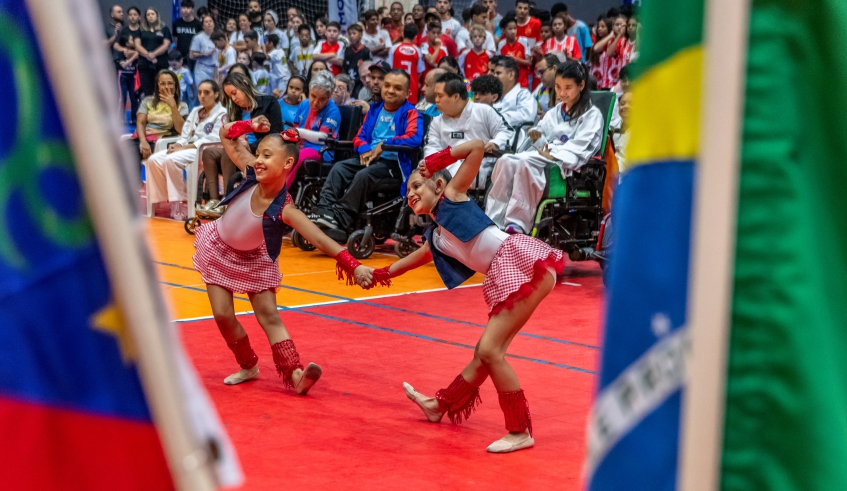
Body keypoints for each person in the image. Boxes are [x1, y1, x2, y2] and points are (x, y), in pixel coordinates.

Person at [358, 139, 566, 453]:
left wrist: (435, 161)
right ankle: (439, 405)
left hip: (519, 264)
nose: (411, 193)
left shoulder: (453, 197)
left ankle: (520, 430)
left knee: (489, 350)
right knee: (486, 354)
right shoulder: (437, 237)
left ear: (438, 185)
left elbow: (477, 147)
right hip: (507, 273)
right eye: (408, 191)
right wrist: (374, 275)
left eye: (418, 186)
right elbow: (404, 264)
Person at [194, 123, 375, 393]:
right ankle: (248, 365)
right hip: (220, 249)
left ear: (288, 162)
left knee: (269, 316)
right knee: (222, 315)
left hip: (256, 260)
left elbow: (320, 238)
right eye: (258, 154)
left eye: (267, 155)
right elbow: (226, 136)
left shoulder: (285, 209)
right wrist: (250, 126)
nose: (258, 160)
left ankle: (295, 374)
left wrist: (354, 264)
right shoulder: (250, 172)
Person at [486, 61, 603, 234]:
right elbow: (541, 134)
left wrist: (554, 155)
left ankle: (517, 223)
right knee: (506, 160)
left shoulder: (592, 115)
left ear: (581, 85)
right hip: (544, 156)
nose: (562, 93)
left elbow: (582, 148)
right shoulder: (556, 111)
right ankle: (493, 219)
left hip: (567, 165)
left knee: (526, 161)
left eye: (568, 87)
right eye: (558, 87)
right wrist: (536, 136)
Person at [309, 69, 423, 241]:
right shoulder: (375, 110)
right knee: (340, 168)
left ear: (408, 93)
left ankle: (340, 221)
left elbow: (414, 139)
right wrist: (366, 150)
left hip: (394, 167)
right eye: (388, 86)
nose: (391, 90)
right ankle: (324, 212)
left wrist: (384, 146)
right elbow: (360, 137)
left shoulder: (412, 113)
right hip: (370, 159)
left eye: (397, 88)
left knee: (364, 175)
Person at [200, 71, 283, 209]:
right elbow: (229, 135)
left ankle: (228, 201)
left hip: (259, 151)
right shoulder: (235, 110)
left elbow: (276, 135)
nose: (233, 99)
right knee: (208, 153)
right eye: (229, 96)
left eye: (234, 93)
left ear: (244, 84)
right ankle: (214, 201)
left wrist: (250, 145)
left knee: (228, 154)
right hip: (239, 149)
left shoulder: (269, 102)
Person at [146, 79, 226, 219]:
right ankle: (177, 197)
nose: (202, 96)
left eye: (207, 92)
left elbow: (213, 139)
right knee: (153, 160)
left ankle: (178, 203)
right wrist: (178, 144)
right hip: (187, 149)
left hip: (205, 151)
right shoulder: (196, 110)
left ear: (217, 95)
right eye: (200, 92)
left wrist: (183, 147)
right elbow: (185, 134)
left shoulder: (222, 113)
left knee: (172, 159)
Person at [424, 72, 513, 189]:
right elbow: (431, 150)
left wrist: (495, 143)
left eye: (440, 96)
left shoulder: (484, 111)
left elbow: (507, 132)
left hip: (482, 174)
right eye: (435, 96)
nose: (436, 100)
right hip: (447, 176)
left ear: (455, 96)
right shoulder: (436, 122)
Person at [291, 71, 341, 187]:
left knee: (294, 158)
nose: (315, 102)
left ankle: (279, 196)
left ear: (329, 97)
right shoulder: (304, 104)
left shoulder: (333, 111)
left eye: (322, 99)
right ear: (309, 90)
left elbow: (324, 138)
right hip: (300, 146)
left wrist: (300, 132)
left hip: (321, 150)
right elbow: (295, 129)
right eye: (313, 96)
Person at [134, 70, 189, 163]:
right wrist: (143, 142)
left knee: (132, 154)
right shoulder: (147, 101)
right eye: (162, 83)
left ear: (175, 86)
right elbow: (141, 122)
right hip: (143, 138)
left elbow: (181, 130)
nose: (166, 87)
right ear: (158, 86)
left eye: (170, 83)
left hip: (163, 142)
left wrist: (173, 106)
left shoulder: (182, 106)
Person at [135, 8, 172, 98]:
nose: (150, 16)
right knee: (147, 90)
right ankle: (149, 111)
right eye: (148, 14)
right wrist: (149, 56)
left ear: (157, 15)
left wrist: (154, 54)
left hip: (160, 63)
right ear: (146, 17)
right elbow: (137, 45)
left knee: (161, 89)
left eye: (152, 14)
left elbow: (166, 44)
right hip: (144, 64)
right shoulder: (141, 29)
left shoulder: (164, 29)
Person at [114, 7, 140, 123]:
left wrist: (133, 54)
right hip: (123, 76)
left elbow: (139, 53)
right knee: (122, 98)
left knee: (134, 97)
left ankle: (134, 118)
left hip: (133, 76)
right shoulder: (122, 52)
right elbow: (123, 64)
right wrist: (128, 55)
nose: (132, 41)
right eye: (130, 40)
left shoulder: (140, 32)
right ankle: (120, 119)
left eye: (135, 14)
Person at [492, 57, 535, 127]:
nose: (494, 76)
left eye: (498, 73)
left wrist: (496, 117)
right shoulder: (494, 96)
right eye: (494, 73)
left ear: (511, 75)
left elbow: (526, 116)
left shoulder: (523, 94)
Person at [386, 24, 423, 104]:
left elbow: (389, 67)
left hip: (395, 85)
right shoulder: (417, 51)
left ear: (403, 34)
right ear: (415, 36)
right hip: (411, 88)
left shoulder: (394, 48)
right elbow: (419, 72)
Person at [497, 16, 531, 88]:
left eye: (515, 28)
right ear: (503, 31)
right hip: (507, 84)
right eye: (510, 29)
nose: (513, 31)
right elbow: (498, 64)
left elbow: (529, 62)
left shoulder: (524, 41)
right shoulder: (501, 44)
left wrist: (515, 59)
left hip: (522, 83)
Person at [341, 24, 372, 95]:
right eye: (349, 34)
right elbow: (344, 67)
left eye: (354, 33)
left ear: (361, 34)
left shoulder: (365, 51)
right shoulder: (347, 50)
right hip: (348, 82)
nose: (351, 36)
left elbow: (368, 68)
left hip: (360, 82)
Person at [589, 17, 618, 90]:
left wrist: (611, 36)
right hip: (596, 83)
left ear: (609, 28)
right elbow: (596, 49)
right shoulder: (595, 44)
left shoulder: (614, 43)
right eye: (598, 27)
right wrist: (610, 36)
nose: (599, 29)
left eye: (602, 26)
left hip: (610, 83)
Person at [173, 0, 202, 71]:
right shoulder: (177, 23)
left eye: (188, 8)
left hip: (193, 56)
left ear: (192, 10)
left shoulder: (198, 24)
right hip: (180, 55)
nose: (185, 10)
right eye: (183, 8)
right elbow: (175, 38)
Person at [190, 15, 217, 88]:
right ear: (203, 26)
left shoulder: (219, 36)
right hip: (202, 69)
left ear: (214, 24)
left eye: (210, 21)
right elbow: (191, 55)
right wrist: (204, 54)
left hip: (216, 69)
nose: (209, 23)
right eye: (206, 22)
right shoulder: (198, 37)